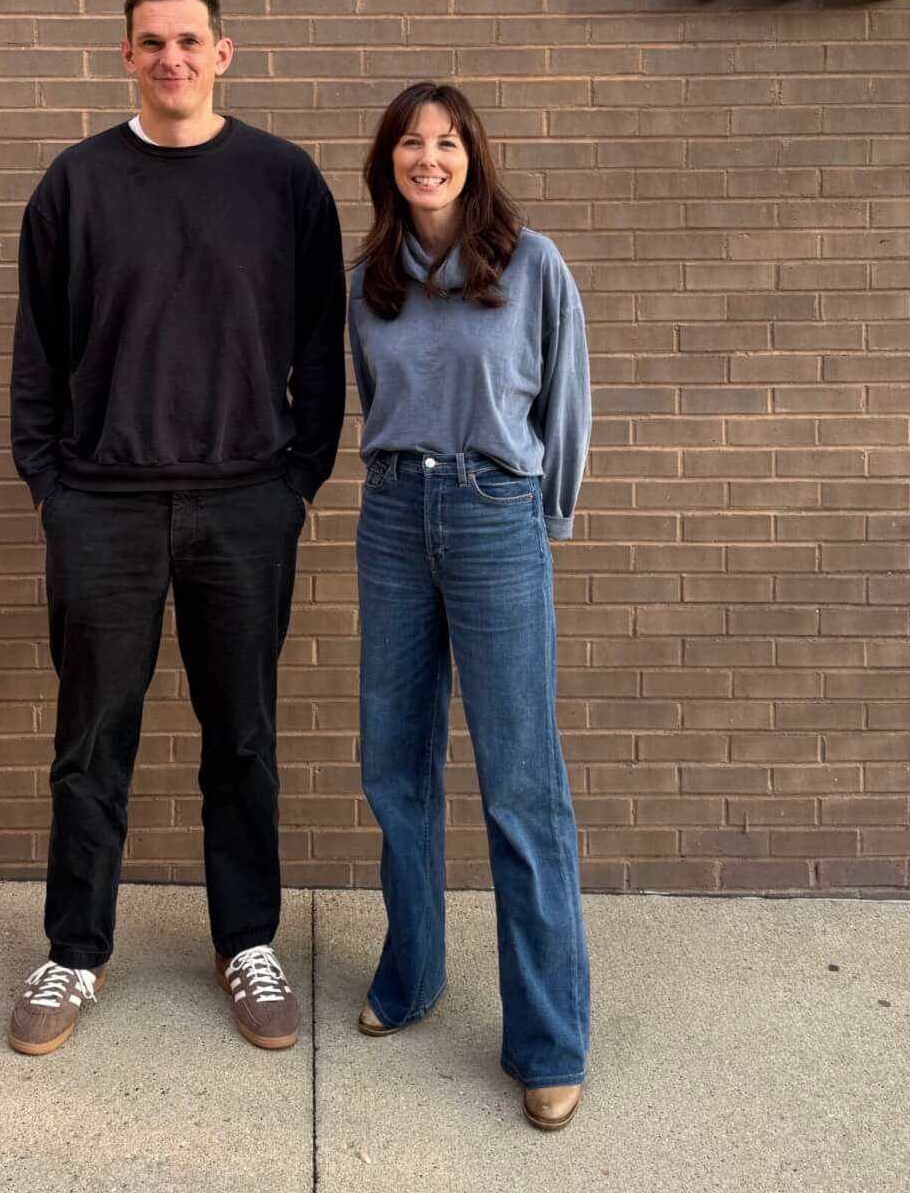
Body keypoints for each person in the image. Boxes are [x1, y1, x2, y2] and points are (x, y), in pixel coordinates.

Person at [7, 0, 346, 1059]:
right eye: (151, 42)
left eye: (189, 40)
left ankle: (246, 940)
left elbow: (317, 347)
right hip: (101, 507)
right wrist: (51, 489)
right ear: (125, 56)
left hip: (246, 503)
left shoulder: (282, 180)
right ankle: (73, 951)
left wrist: (295, 481)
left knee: (240, 737)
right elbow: (38, 355)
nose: (171, 58)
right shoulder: (76, 183)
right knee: (89, 740)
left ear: (224, 52)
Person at [348, 82, 592, 1132]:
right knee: (393, 762)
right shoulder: (366, 282)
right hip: (395, 514)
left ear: (472, 157)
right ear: (387, 163)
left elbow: (565, 398)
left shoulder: (531, 265)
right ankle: (412, 975)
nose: (428, 157)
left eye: (445, 142)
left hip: (496, 517)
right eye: (410, 143)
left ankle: (547, 1038)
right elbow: (367, 396)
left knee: (518, 784)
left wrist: (548, 515)